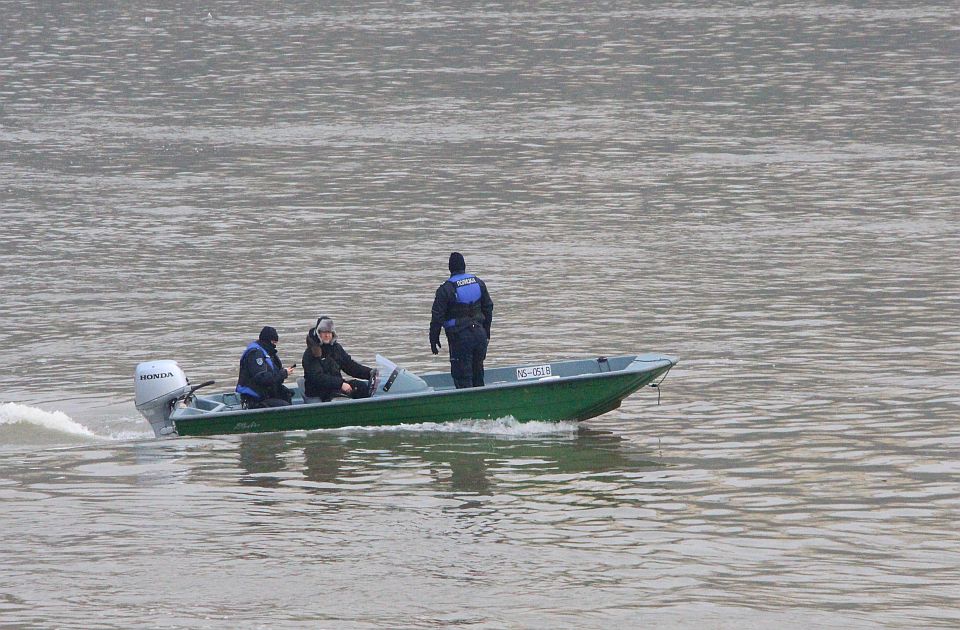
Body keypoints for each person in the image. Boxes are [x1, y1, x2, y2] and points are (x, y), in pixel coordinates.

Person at [430, 252, 494, 388]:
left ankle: (469, 406)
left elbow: (437, 317)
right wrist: (486, 332)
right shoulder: (478, 283)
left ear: (450, 268)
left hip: (460, 339)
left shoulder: (445, 289)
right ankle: (481, 405)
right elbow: (488, 308)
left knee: (462, 378)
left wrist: (433, 339)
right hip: (479, 336)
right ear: (464, 266)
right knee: (478, 375)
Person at [302, 316, 375, 403]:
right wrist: (340, 384)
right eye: (324, 332)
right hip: (318, 390)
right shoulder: (311, 353)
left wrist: (369, 373)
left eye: (329, 332)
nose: (327, 335)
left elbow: (350, 366)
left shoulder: (336, 348)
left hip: (335, 386)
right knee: (339, 397)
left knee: (361, 387)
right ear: (318, 333)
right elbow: (317, 377)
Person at [236, 326, 295, 408]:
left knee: (287, 394)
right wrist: (283, 373)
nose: (274, 345)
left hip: (266, 395)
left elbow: (273, 375)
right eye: (273, 342)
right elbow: (262, 378)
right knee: (284, 406)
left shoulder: (268, 353)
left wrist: (283, 373)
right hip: (255, 400)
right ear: (267, 341)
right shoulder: (255, 354)